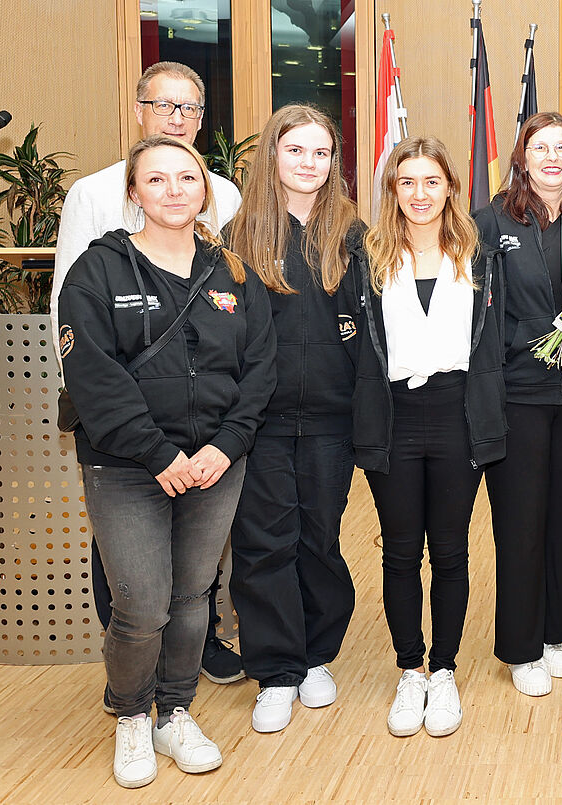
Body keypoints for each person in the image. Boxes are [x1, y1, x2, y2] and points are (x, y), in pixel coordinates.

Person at [57, 135, 276, 788]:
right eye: (157, 179)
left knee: (192, 597)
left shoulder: (233, 272)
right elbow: (94, 377)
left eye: (187, 177)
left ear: (204, 191)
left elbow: (260, 367)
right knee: (143, 601)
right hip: (125, 466)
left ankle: (174, 710)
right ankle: (129, 713)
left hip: (215, 465)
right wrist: (158, 453)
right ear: (133, 193)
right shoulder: (97, 272)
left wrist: (224, 444)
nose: (175, 189)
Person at [50, 60, 245, 686]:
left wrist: (224, 436)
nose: (179, 118)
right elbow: (73, 317)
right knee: (134, 580)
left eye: (190, 108)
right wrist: (140, 437)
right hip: (125, 436)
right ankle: (129, 679)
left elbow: (236, 324)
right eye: (166, 106)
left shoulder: (227, 196)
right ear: (139, 110)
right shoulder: (93, 195)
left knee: (193, 578)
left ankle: (188, 668)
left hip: (207, 432)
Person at [354, 136, 506, 737]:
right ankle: (409, 669)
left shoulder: (480, 257)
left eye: (431, 182)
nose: (420, 194)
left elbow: (493, 345)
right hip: (391, 417)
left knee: (449, 551)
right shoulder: (368, 257)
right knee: (397, 551)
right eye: (407, 182)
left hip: (456, 415)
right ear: (393, 190)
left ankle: (443, 671)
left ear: (450, 188)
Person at [225, 105, 365, 734]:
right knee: (263, 545)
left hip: (333, 420)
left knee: (321, 538)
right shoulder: (237, 236)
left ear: (334, 163)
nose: (309, 163)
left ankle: (316, 656)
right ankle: (277, 671)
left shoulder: (353, 234)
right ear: (273, 156)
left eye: (321, 153)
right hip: (261, 421)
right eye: (296, 151)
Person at [474, 112, 562, 697]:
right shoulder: (490, 222)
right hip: (518, 394)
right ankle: (521, 647)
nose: (552, 157)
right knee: (521, 522)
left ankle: (553, 634)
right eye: (540, 146)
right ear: (522, 156)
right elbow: (480, 315)